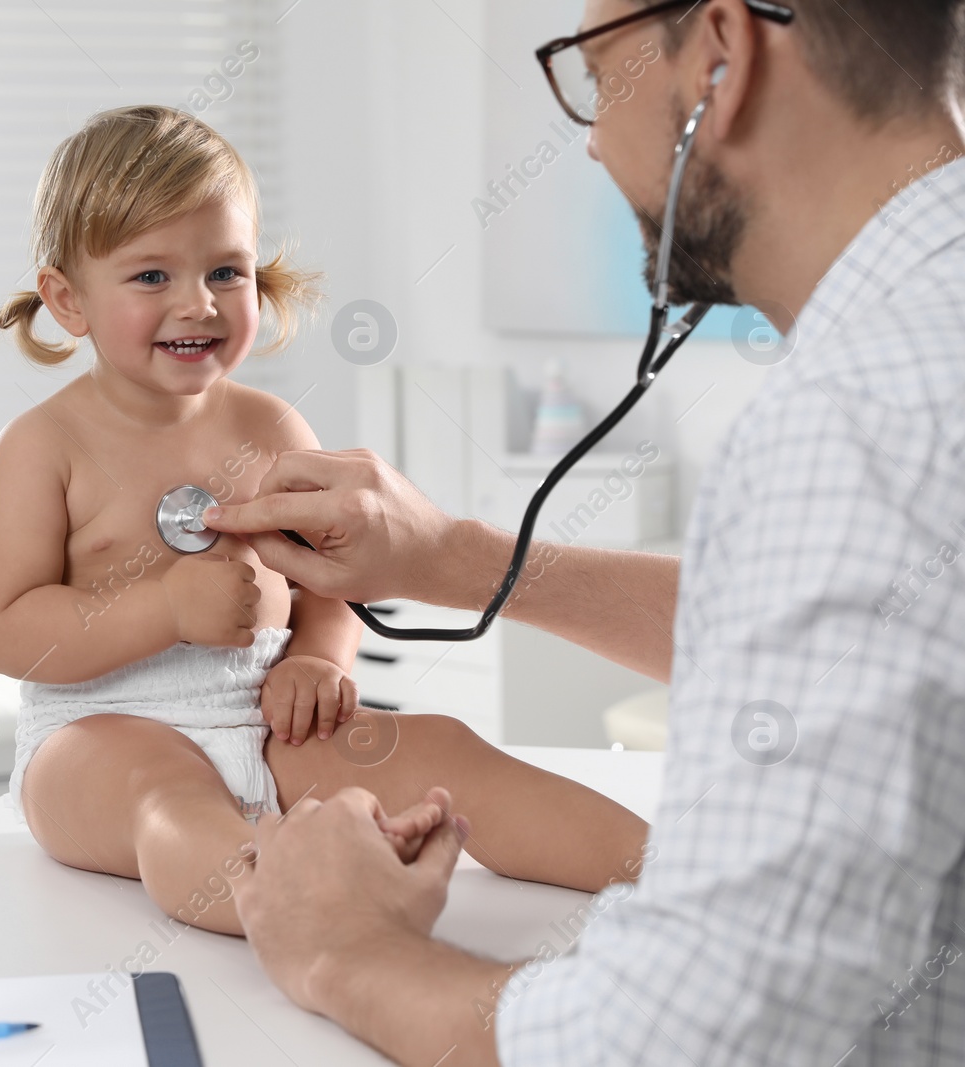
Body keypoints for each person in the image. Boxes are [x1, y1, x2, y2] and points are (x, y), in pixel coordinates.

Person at [201, 0, 965, 1063]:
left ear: (721, 53)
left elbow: (693, 1038)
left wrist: (348, 950)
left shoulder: (855, 420)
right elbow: (879, 628)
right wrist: (455, 559)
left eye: (594, 74)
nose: (595, 137)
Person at [0, 105, 647, 937]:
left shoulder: (272, 429)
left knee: (444, 749)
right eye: (151, 277)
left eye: (226, 271)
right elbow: (1, 628)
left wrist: (318, 659)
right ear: (68, 300)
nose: (198, 304)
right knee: (164, 794)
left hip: (267, 720)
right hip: (98, 733)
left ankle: (673, 868)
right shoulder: (45, 445)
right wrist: (164, 611)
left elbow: (328, 585)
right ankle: (298, 908)